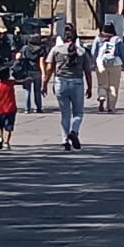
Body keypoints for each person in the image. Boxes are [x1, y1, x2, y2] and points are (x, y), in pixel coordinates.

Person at [42, 23, 95, 151]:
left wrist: (45, 84)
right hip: (77, 83)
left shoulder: (56, 50)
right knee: (78, 113)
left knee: (65, 114)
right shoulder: (81, 52)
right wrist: (90, 87)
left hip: (61, 82)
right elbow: (87, 71)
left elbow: (49, 68)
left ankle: (65, 140)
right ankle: (74, 131)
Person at [91, 24, 124, 113]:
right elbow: (123, 53)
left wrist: (93, 63)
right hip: (115, 65)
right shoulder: (117, 40)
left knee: (102, 83)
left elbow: (93, 52)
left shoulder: (98, 39)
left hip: (101, 64)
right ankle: (111, 107)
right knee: (113, 86)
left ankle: (102, 97)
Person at [18, 33, 46, 113]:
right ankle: (38, 107)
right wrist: (43, 73)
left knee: (27, 90)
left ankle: (27, 108)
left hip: (27, 71)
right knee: (37, 91)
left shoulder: (25, 48)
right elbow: (41, 62)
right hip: (37, 71)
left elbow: (17, 56)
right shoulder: (41, 49)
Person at [0, 67, 18, 149]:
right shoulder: (11, 83)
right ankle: (7, 142)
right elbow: (20, 82)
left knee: (0, 125)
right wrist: (27, 79)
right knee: (9, 127)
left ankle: (0, 137)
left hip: (0, 109)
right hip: (11, 108)